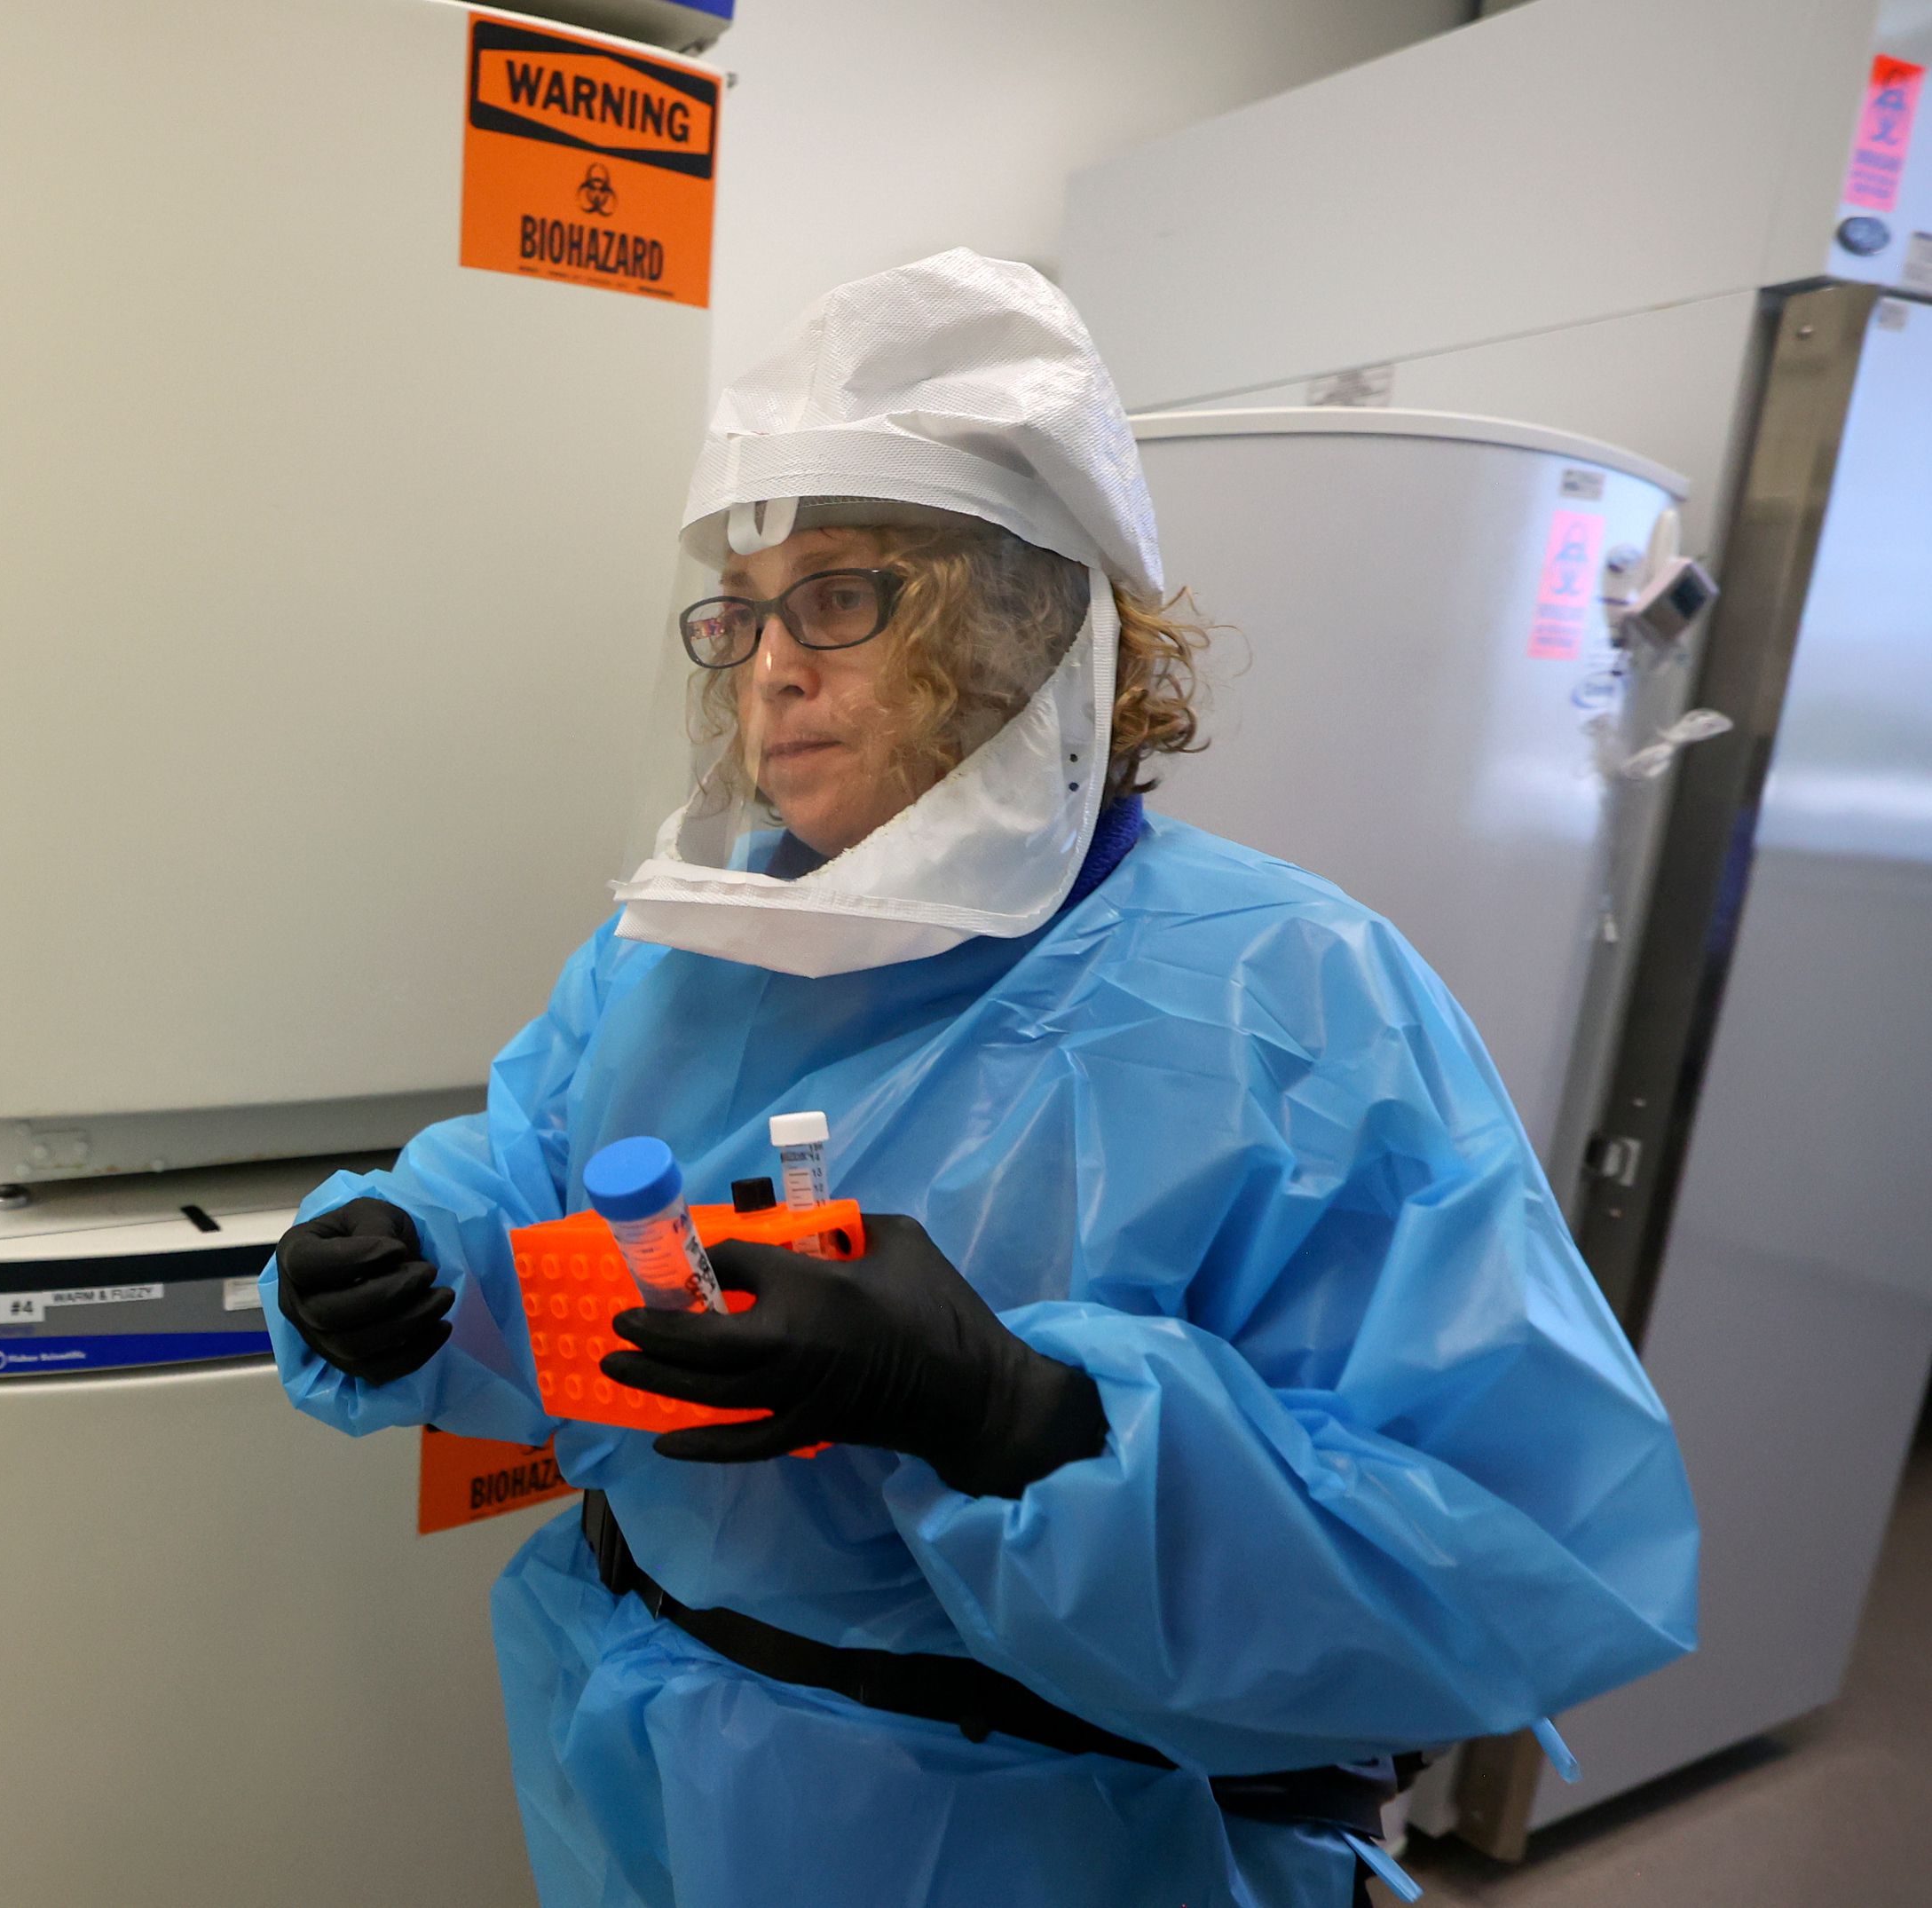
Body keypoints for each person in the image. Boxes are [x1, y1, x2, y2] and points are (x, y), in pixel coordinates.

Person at [263, 250, 1698, 1908]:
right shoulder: (686, 948)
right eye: (746, 614)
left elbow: (1508, 1559)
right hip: (648, 1759)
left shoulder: (1295, 997)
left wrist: (1023, 1418)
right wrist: (407, 1258)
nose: (768, 670)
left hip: (1059, 1841)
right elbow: (545, 1211)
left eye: (844, 598)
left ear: (1018, 624)